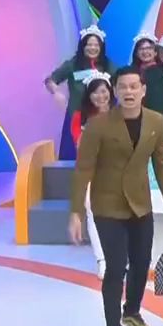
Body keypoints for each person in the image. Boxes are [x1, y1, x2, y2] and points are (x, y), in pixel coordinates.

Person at [68, 67, 163, 326]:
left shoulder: (156, 121)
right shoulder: (98, 126)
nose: (128, 92)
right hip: (108, 204)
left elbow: (161, 163)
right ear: (116, 91)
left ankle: (132, 311)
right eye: (123, 87)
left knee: (142, 263)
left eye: (134, 86)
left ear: (143, 90)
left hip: (140, 203)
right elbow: (83, 170)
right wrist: (76, 212)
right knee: (116, 266)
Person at [45, 25, 116, 160]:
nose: (92, 48)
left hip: (101, 119)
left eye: (96, 45)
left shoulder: (108, 65)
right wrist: (56, 92)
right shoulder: (73, 64)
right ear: (83, 46)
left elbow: (121, 80)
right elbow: (50, 80)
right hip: (75, 118)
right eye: (89, 45)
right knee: (72, 158)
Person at [70, 71, 114, 280]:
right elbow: (80, 146)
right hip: (91, 171)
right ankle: (102, 260)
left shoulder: (120, 113)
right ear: (89, 95)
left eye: (104, 91)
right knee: (93, 213)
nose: (100, 96)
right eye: (95, 93)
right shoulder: (80, 117)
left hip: (116, 171)